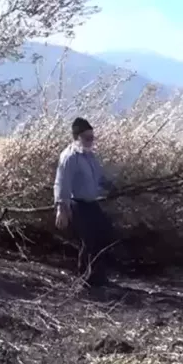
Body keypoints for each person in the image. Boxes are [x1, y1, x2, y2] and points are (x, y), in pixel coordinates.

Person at [53, 117, 118, 287]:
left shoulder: (89, 156)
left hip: (91, 204)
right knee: (90, 241)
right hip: (77, 205)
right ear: (77, 137)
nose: (91, 141)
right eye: (87, 138)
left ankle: (97, 277)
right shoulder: (69, 157)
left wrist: (111, 187)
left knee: (104, 235)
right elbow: (62, 182)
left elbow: (99, 176)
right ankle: (87, 279)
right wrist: (62, 208)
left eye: (92, 137)